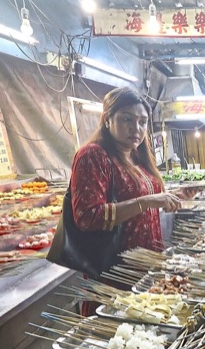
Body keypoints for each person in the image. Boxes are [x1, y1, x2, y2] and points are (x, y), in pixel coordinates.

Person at [70, 87, 195, 255]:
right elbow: (87, 217)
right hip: (118, 263)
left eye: (142, 122)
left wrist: (175, 196)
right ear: (107, 120)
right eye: (127, 119)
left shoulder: (137, 156)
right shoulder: (93, 155)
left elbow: (139, 198)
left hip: (147, 258)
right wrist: (147, 201)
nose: (136, 128)